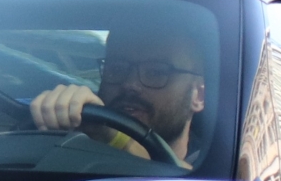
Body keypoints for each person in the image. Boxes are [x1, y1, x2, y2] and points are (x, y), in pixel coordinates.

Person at [28, 30, 208, 168]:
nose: (130, 84)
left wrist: (117, 139)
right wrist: (51, 121)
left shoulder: (221, 165)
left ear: (199, 96)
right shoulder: (65, 152)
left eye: (157, 72)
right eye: (117, 68)